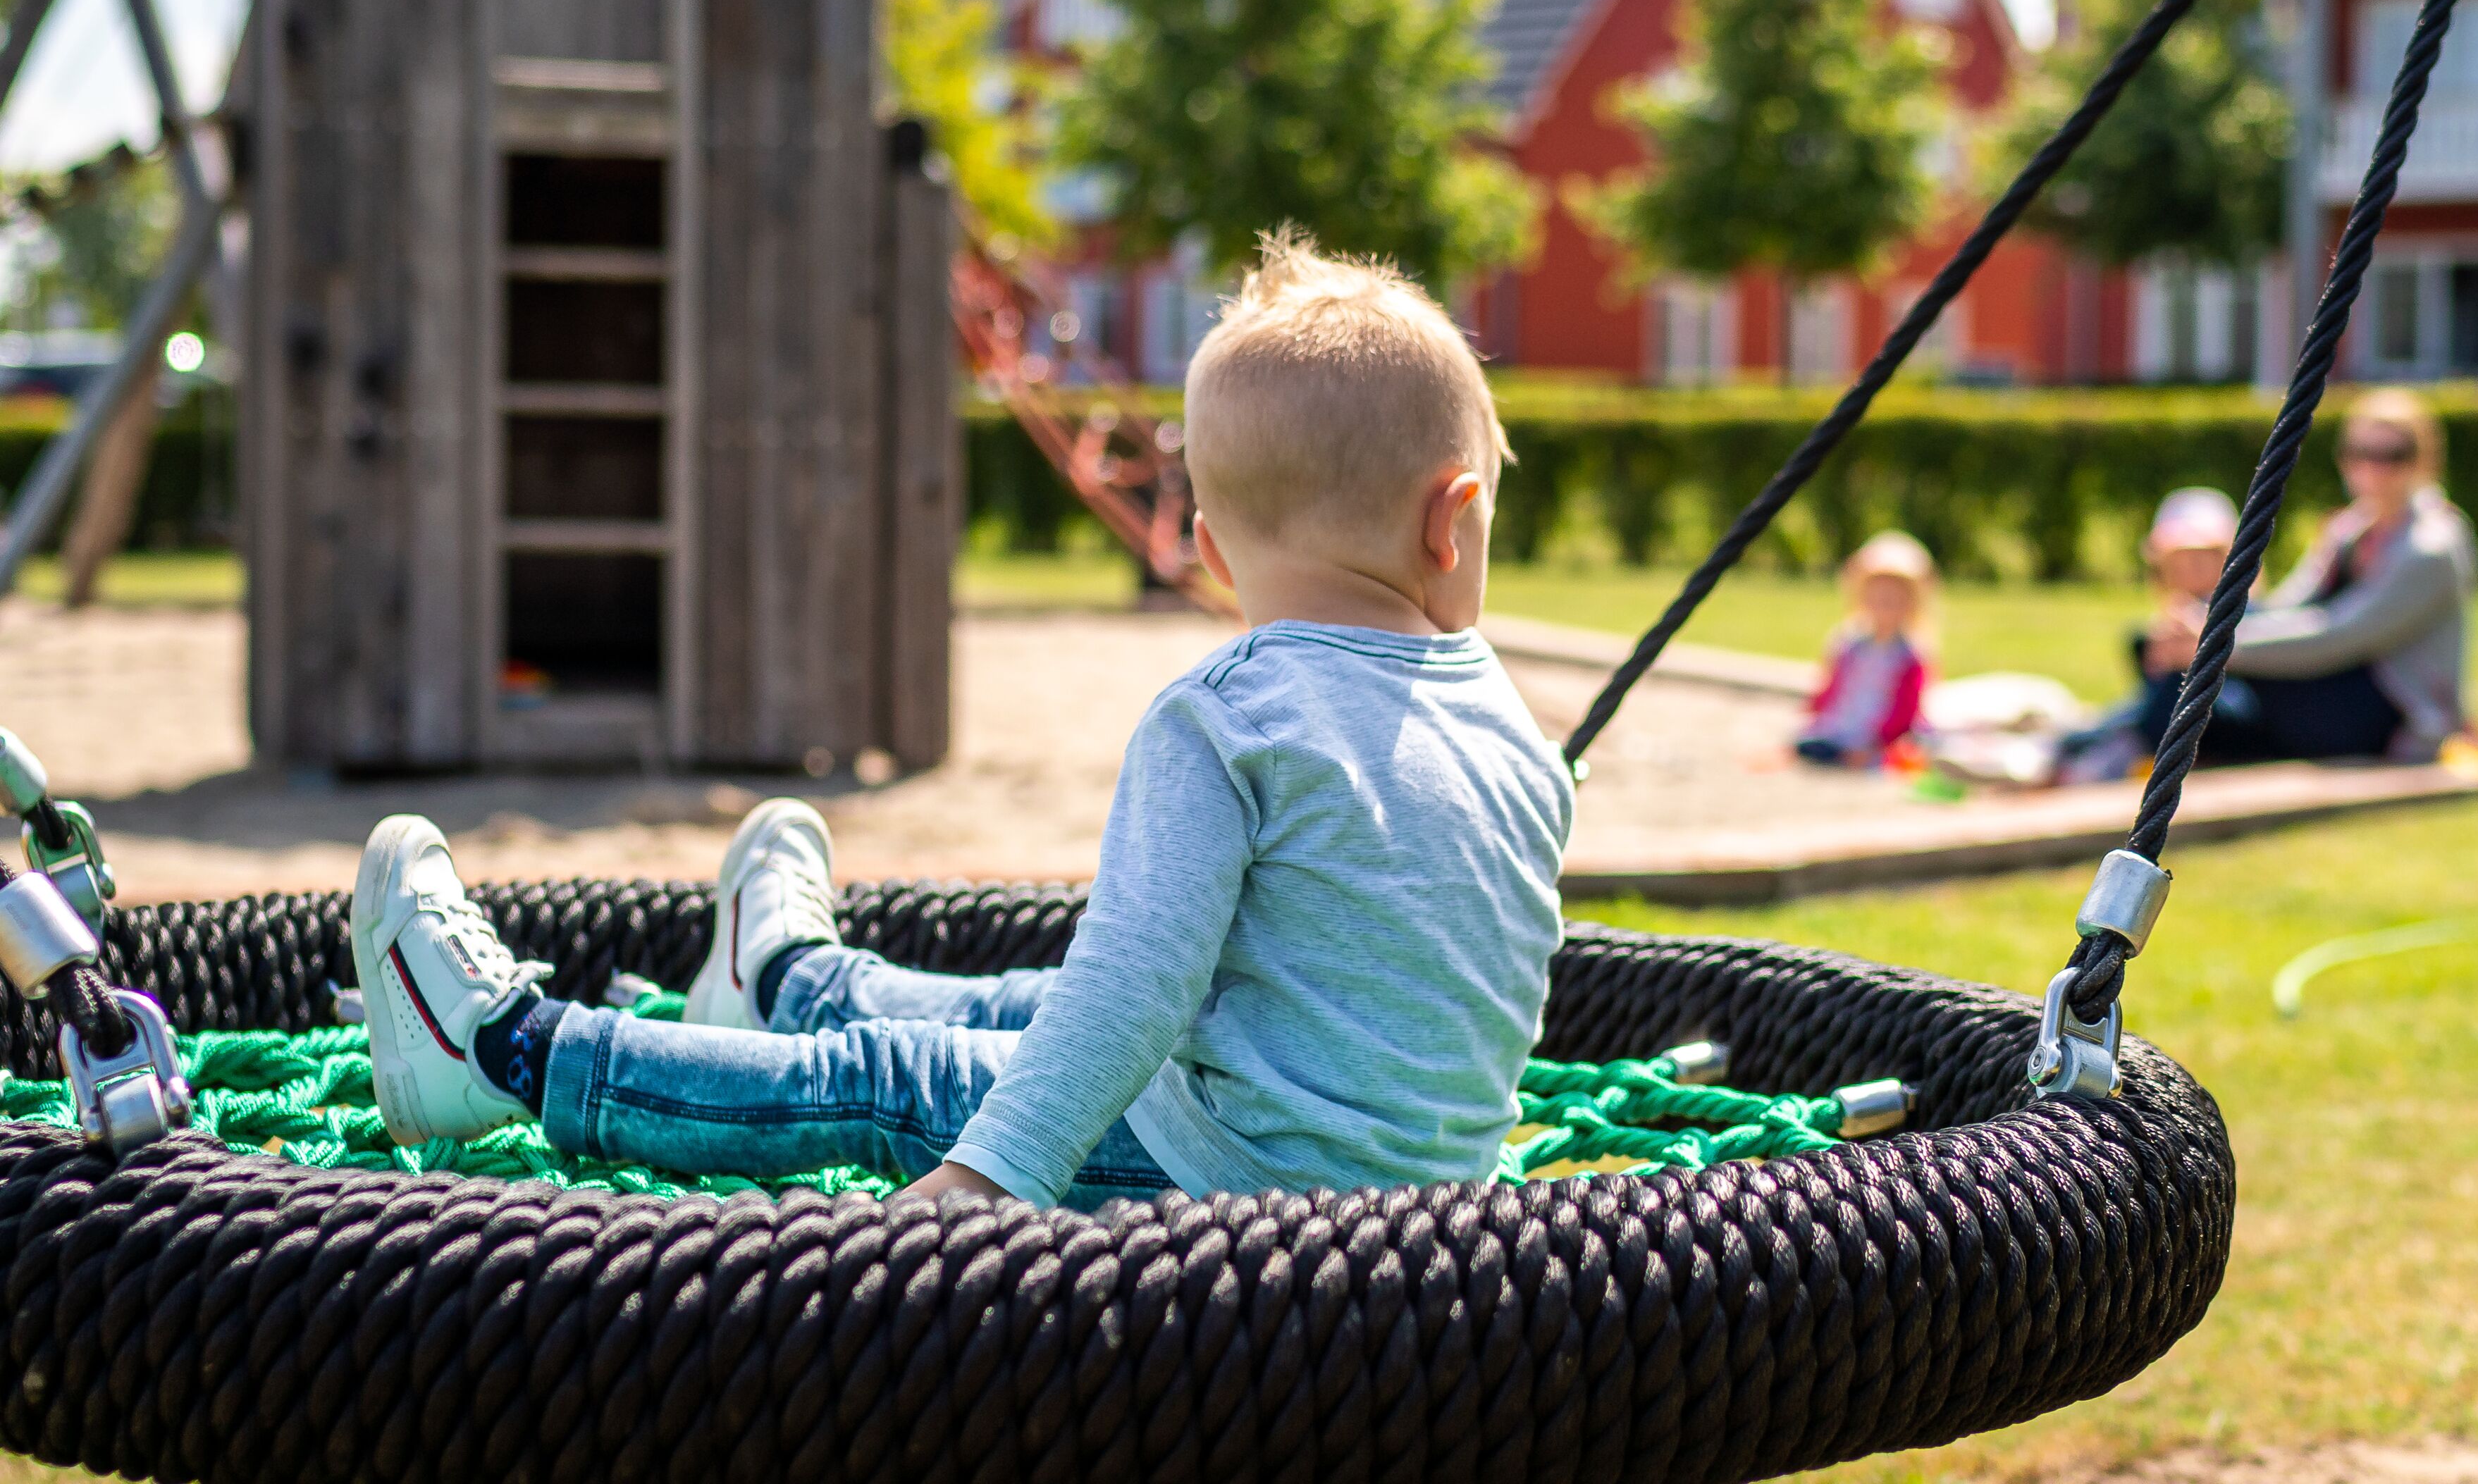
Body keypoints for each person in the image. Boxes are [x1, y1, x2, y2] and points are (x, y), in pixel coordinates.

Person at [347, 230, 1575, 1209]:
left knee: (885, 1086)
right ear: (1453, 519)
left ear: (1205, 548)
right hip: (1416, 1197)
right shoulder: (1523, 742)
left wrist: (1001, 1172)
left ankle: (516, 1053)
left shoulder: (1230, 719)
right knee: (1031, 1004)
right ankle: (788, 980)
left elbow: (1136, 987)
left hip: (1222, 1178)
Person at [2129, 388, 2478, 765]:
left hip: (2390, 719)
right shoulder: (2350, 529)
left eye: (2393, 456)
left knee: (2183, 679)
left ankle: (2103, 739)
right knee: (2151, 644)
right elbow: (2289, 607)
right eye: (2360, 454)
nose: (2373, 469)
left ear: (2423, 461)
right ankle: (2116, 735)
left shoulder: (2431, 548)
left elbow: (2339, 635)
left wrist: (2218, 646)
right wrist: (2202, 626)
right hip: (2331, 690)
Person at [2053, 487, 2248, 784]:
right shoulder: (2160, 627)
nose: (2188, 569)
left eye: (2201, 558)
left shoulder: (2248, 618)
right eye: (2178, 560)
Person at [1794, 531, 1935, 767]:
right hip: (1845, 724)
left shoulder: (1908, 653)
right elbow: (1834, 685)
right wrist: (1816, 707)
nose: (1884, 604)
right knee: (1809, 744)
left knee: (1905, 752)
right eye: (1878, 597)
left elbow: (1907, 705)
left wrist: (1883, 739)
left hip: (1880, 731)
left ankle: (1862, 754)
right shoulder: (1850, 642)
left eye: (1894, 599)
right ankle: (1839, 751)